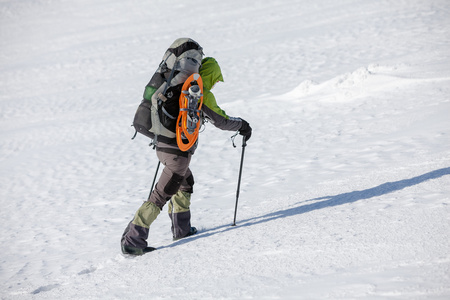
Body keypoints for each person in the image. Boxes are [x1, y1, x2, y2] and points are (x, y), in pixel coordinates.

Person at [121, 57, 252, 255]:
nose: (215, 83)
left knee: (186, 182)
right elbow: (221, 121)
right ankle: (133, 240)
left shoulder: (181, 91)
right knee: (159, 196)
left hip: (163, 147)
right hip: (177, 156)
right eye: (215, 78)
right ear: (208, 75)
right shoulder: (200, 95)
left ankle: (181, 230)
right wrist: (242, 125)